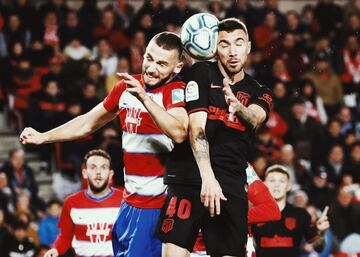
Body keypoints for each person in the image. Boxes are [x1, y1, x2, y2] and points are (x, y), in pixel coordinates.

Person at [20, 32, 188, 257]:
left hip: (156, 208)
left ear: (177, 67)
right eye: (149, 58)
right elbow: (87, 122)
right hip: (129, 204)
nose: (151, 67)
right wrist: (44, 137)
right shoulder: (127, 87)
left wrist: (145, 99)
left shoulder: (175, 91)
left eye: (161, 63)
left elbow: (179, 132)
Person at [157, 18, 273, 257]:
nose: (232, 52)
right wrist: (207, 178)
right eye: (224, 44)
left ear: (249, 47)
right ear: (213, 48)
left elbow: (255, 118)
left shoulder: (260, 91)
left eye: (238, 43)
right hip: (190, 177)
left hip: (230, 183)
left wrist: (239, 108)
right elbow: (196, 129)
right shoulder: (201, 72)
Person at [43, 149, 123, 257]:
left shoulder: (124, 200)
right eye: (93, 167)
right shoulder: (71, 203)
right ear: (84, 173)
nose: (98, 172)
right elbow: (65, 237)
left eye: (103, 167)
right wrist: (56, 249)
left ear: (110, 174)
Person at [251, 165, 330, 257]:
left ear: (288, 186)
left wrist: (320, 232)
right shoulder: (253, 214)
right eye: (272, 180)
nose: (277, 185)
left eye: (281, 181)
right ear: (264, 185)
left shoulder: (301, 214)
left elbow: (318, 248)